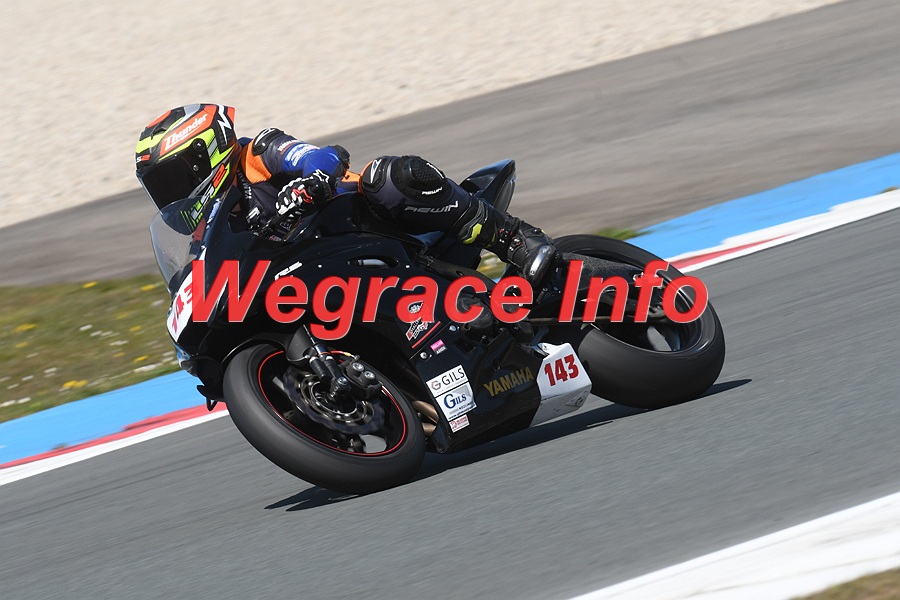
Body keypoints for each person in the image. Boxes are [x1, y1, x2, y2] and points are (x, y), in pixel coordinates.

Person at [135, 103, 557, 284]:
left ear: (205, 152)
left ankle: (513, 238)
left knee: (387, 177)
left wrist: (312, 182)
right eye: (160, 188)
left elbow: (321, 156)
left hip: (369, 223)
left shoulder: (257, 152)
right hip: (321, 280)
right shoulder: (206, 232)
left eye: (173, 180)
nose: (171, 195)